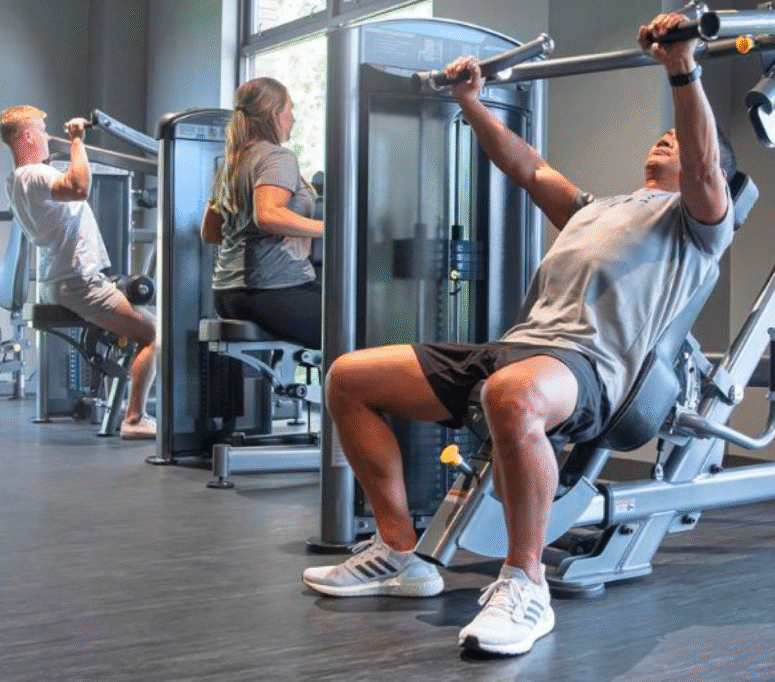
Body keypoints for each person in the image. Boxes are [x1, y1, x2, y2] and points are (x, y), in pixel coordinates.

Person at [302, 13, 737, 657]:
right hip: (516, 346)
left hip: (589, 367)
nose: (666, 140)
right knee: (349, 377)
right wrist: (468, 102)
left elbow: (703, 172)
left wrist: (682, 69)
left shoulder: (698, 224)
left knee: (513, 395)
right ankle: (399, 550)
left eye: (679, 137)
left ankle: (525, 583)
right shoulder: (598, 209)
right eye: (663, 134)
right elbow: (529, 169)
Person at [0, 106, 158, 440]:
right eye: (42, 129)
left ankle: (125, 408)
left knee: (134, 325)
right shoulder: (35, 174)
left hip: (64, 281)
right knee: (151, 334)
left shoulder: (14, 182)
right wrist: (77, 141)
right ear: (27, 135)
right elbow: (79, 186)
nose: (46, 134)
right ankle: (134, 418)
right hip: (79, 281)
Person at [201, 77, 324, 350]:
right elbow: (268, 215)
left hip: (227, 295)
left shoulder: (232, 162)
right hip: (273, 291)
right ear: (275, 113)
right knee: (362, 326)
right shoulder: (276, 157)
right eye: (290, 109)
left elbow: (210, 232)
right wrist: (330, 229)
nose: (293, 118)